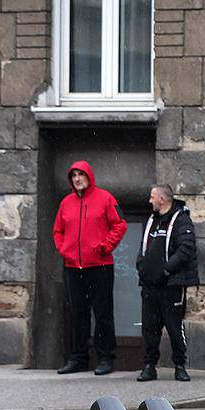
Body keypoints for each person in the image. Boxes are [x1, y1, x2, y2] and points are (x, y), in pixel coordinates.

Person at [52, 160, 127, 375]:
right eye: (73, 175)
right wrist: (64, 250)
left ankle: (106, 358)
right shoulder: (66, 202)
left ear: (89, 176)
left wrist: (105, 246)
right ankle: (79, 358)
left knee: (103, 313)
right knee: (78, 313)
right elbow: (57, 231)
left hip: (100, 265)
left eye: (80, 174)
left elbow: (120, 224)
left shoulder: (105, 198)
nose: (77, 179)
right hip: (73, 267)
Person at [135, 184, 198, 382]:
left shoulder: (181, 220)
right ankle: (149, 365)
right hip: (149, 284)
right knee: (149, 327)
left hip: (172, 284)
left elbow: (186, 250)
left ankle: (180, 365)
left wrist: (166, 270)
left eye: (152, 197)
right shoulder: (151, 220)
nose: (150, 200)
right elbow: (143, 247)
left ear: (162, 199)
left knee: (174, 326)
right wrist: (142, 267)